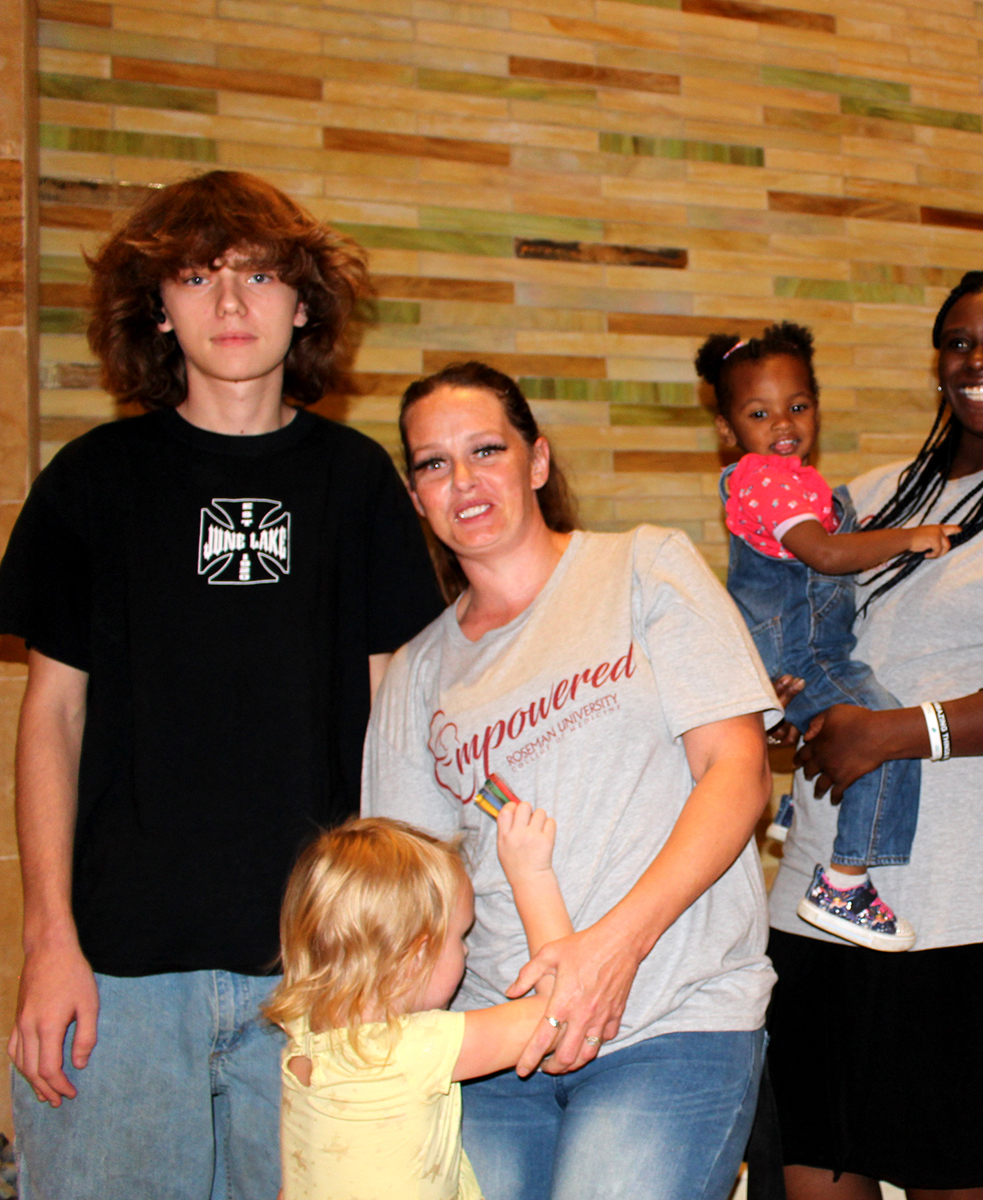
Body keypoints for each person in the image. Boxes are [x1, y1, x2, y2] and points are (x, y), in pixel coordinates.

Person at [0, 170, 443, 1199]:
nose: (231, 305)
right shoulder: (92, 480)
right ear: (158, 306)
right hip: (116, 976)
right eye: (198, 278)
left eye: (258, 276)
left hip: (315, 980)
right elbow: (51, 720)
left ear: (304, 301)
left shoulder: (356, 482)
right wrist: (47, 942)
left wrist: (394, 952)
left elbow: (396, 728)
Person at [363, 360, 779, 1200]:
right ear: (416, 497)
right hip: (493, 1051)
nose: (464, 480)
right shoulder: (415, 674)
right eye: (434, 464)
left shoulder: (643, 569)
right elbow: (407, 893)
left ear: (538, 462)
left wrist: (612, 950)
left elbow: (738, 774)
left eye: (486, 449)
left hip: (670, 1018)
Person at [764, 264, 983, 1199]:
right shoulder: (873, 496)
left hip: (976, 920)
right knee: (810, 1171)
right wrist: (783, 682)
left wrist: (895, 734)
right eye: (960, 342)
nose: (979, 360)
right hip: (823, 907)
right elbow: (806, 624)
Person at [698, 321, 958, 951]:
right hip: (803, 652)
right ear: (729, 432)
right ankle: (844, 882)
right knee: (889, 730)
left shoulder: (798, 483)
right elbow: (825, 555)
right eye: (760, 413)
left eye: (798, 406)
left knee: (868, 726)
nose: (784, 424)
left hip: (804, 650)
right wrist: (906, 536)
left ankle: (806, 830)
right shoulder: (765, 477)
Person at [266, 809, 572, 1199]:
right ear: (416, 957)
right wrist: (532, 876)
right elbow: (561, 1012)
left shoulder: (304, 1036)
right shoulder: (416, 1049)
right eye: (461, 937)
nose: (466, 951)